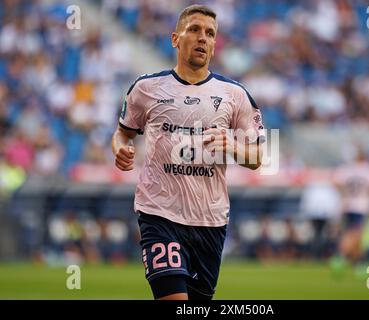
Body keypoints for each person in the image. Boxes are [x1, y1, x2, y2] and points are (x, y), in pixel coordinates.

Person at [111, 4, 265, 300]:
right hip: (159, 214)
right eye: (194, 30)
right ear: (175, 38)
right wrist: (121, 149)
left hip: (210, 221)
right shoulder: (146, 88)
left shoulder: (236, 95)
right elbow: (122, 133)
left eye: (210, 33)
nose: (203, 38)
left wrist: (231, 146)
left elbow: (258, 159)